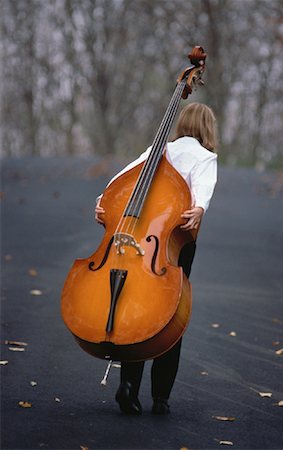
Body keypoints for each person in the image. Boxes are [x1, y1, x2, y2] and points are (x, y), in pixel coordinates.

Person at [94, 102, 218, 415]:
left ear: (182, 125)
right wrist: (200, 207)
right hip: (174, 244)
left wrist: (102, 202)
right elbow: (204, 187)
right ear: (208, 129)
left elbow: (123, 178)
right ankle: (160, 398)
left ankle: (128, 386)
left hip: (140, 239)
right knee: (170, 313)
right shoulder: (205, 157)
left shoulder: (159, 148)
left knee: (137, 308)